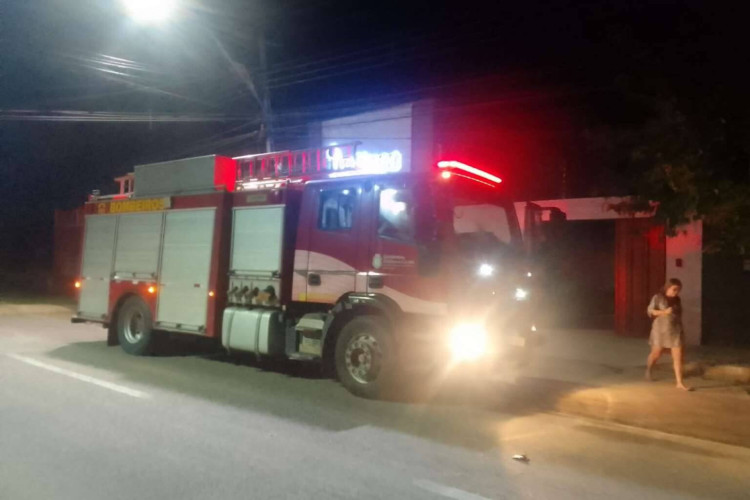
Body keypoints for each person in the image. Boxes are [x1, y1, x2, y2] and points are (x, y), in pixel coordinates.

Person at [645, 278, 692, 391]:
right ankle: (649, 369)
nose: (676, 292)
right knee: (656, 354)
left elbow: (679, 314)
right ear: (668, 287)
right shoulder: (658, 297)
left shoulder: (677, 300)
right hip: (660, 330)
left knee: (678, 357)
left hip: (675, 330)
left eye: (678, 290)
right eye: (674, 289)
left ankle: (679, 382)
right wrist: (663, 312)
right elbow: (650, 311)